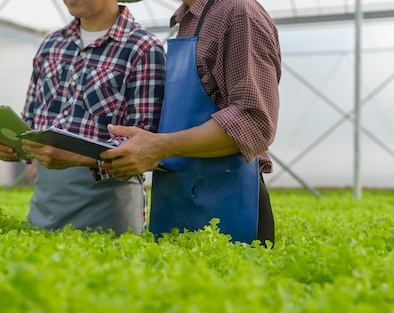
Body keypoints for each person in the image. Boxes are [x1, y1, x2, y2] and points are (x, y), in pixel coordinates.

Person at [100, 0, 281, 245]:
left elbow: (253, 121)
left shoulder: (238, 13)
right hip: (182, 196)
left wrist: (160, 147)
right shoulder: (190, 18)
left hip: (228, 205)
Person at [0, 0, 165, 234]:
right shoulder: (51, 46)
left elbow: (146, 146)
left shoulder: (142, 48)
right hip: (44, 210)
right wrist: (10, 146)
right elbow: (30, 123)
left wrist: (79, 157)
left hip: (110, 214)